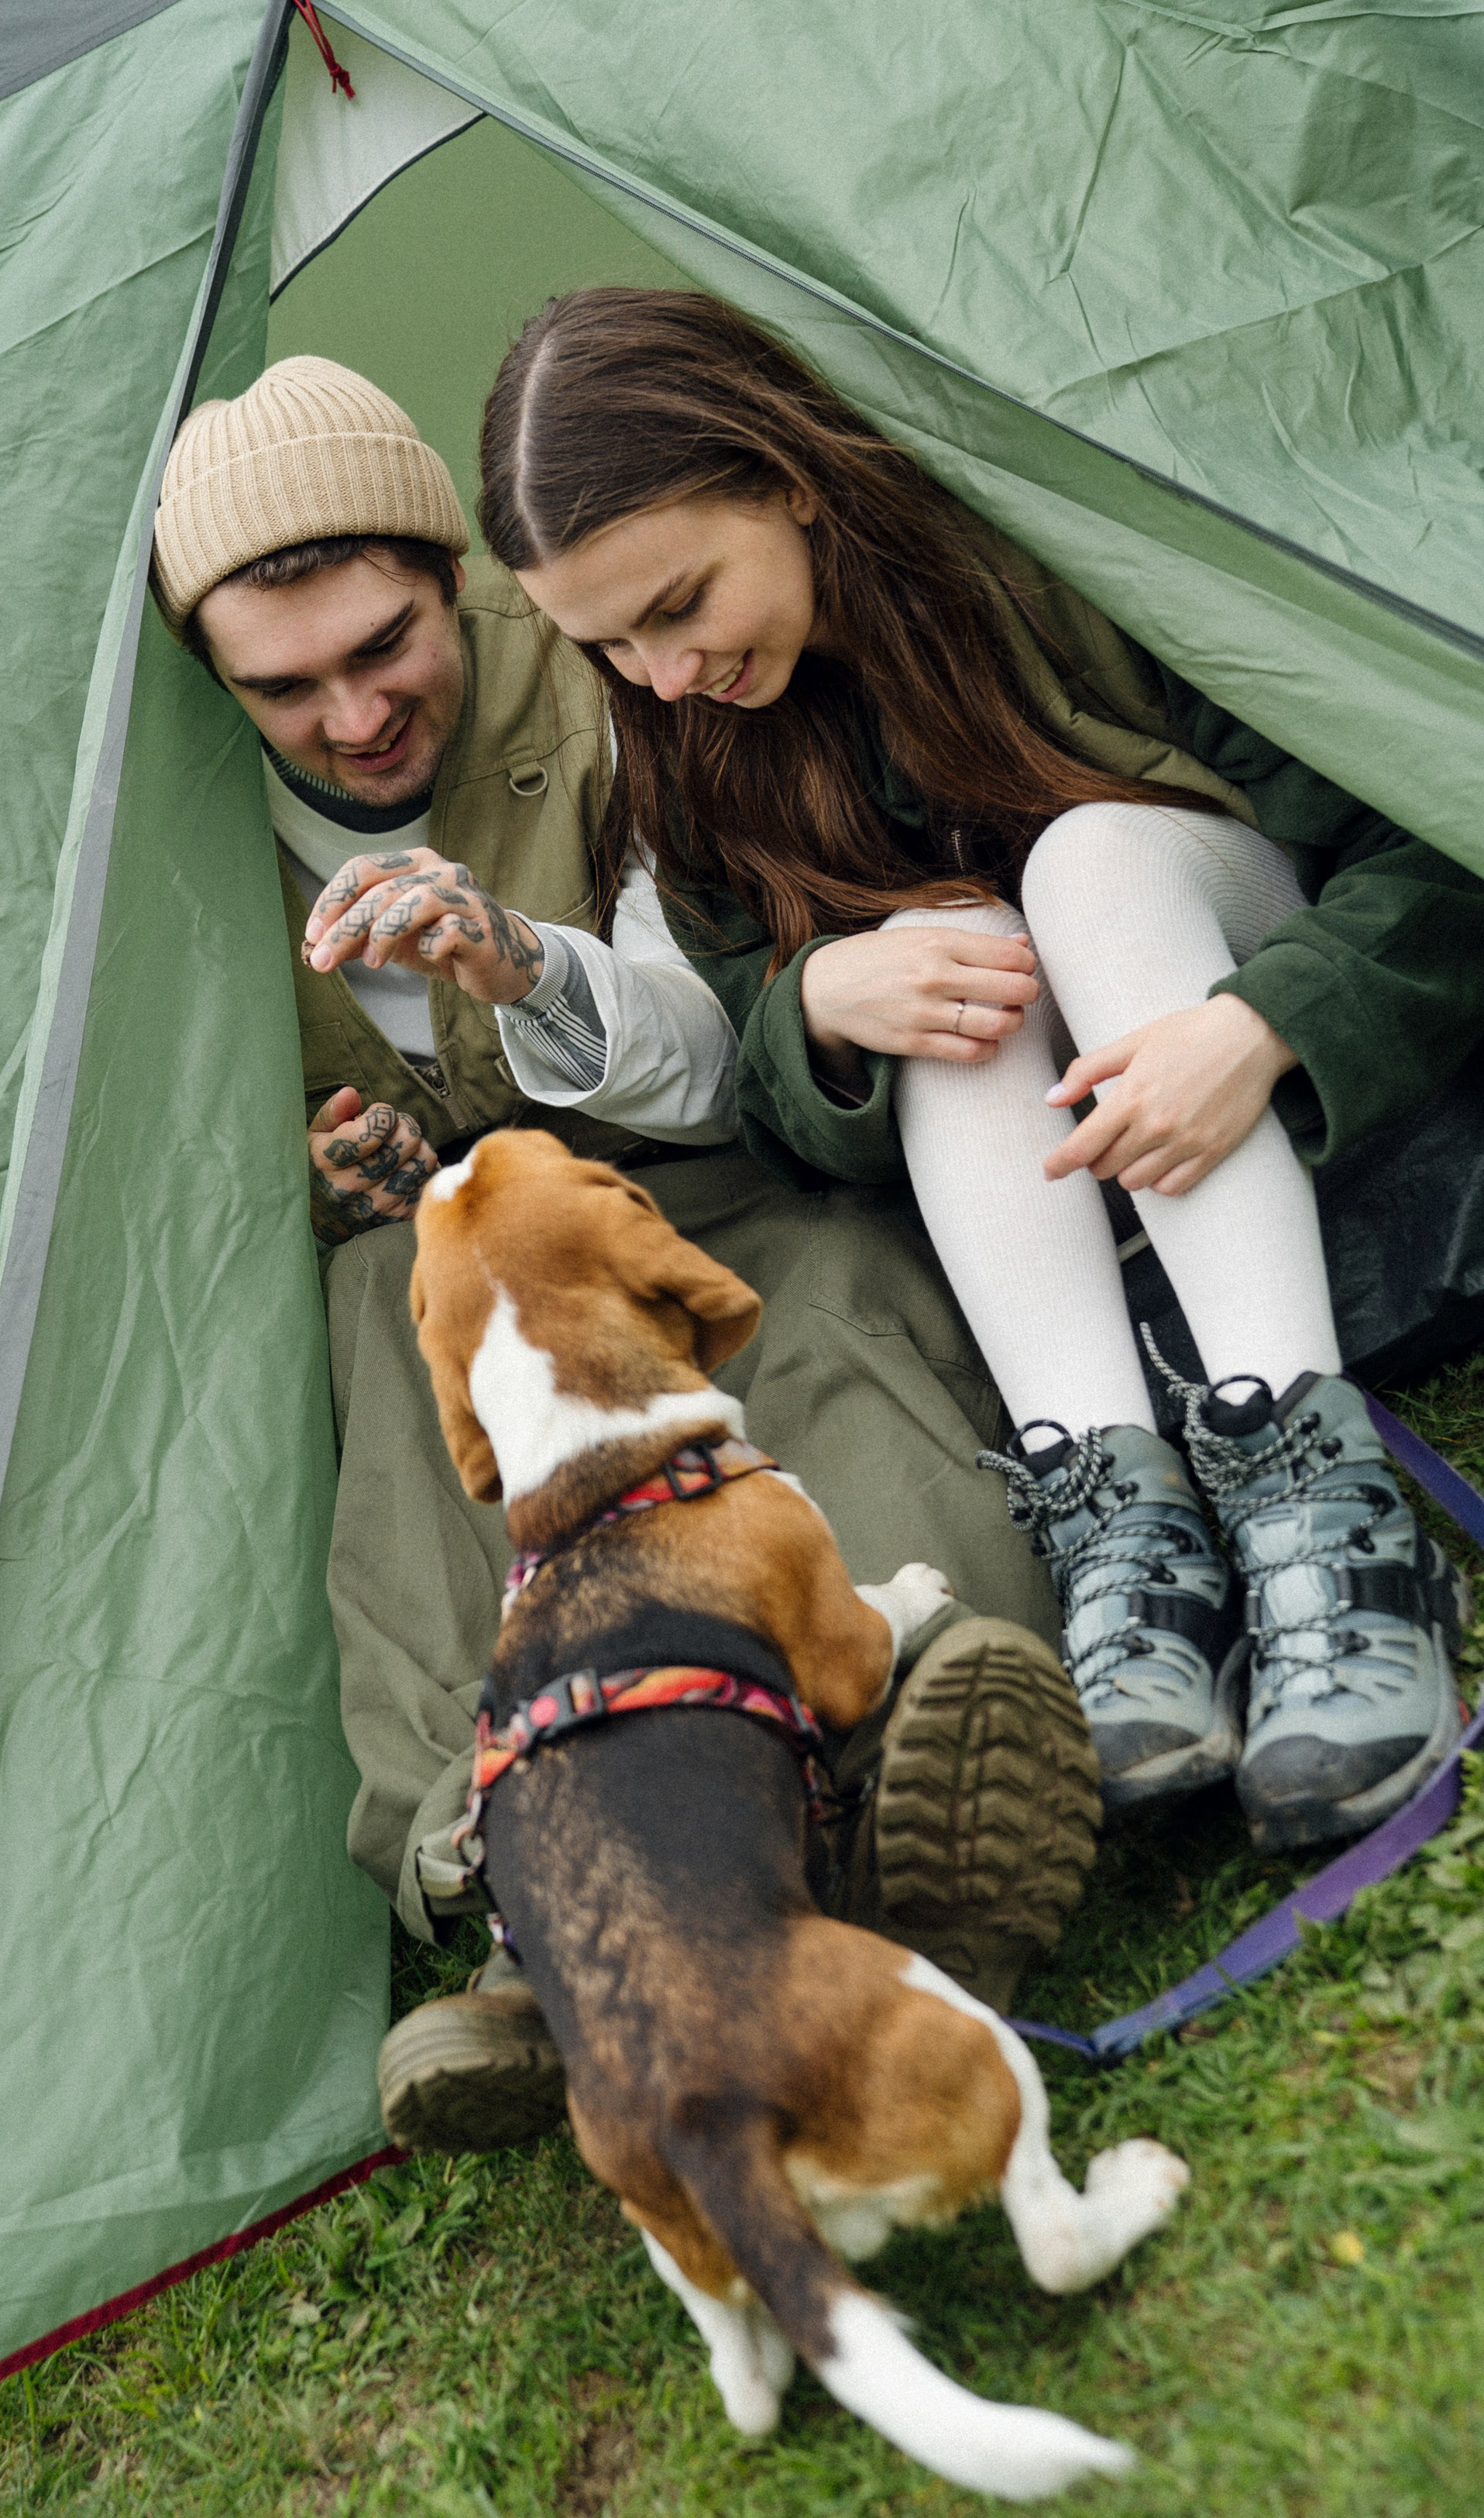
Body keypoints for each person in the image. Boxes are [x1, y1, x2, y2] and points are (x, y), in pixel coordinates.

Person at [149, 356, 1102, 2146]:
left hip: (704, 1176)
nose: (354, 716)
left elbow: (710, 1022)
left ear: (455, 578)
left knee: (825, 1314)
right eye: (288, 687)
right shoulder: (167, 837)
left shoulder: (611, 676)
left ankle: (917, 1736)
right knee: (386, 1316)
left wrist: (522, 974)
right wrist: (300, 1167)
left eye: (388, 648)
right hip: (461, 1269)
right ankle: (522, 1881)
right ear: (217, 678)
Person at [477, 287, 1481, 1856]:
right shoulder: (690, 744)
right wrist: (816, 1005)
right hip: (1082, 1211)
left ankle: (1323, 1521)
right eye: (606, 645)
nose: (662, 677)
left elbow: (1434, 837)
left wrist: (1263, 1023)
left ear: (786, 475)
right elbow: (775, 1095)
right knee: (932, 953)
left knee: (1082, 862)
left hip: (1291, 1042)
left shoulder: (1060, 556)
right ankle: (1124, 1548)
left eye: (679, 605)